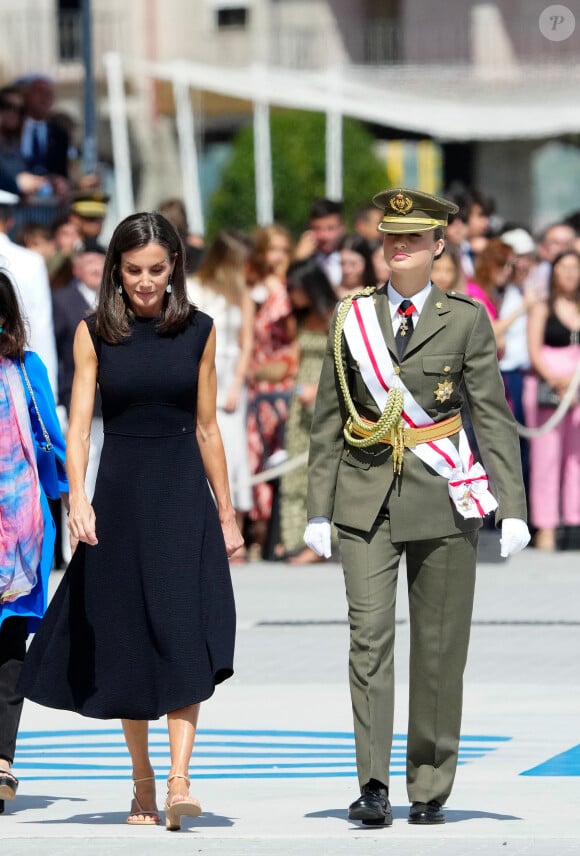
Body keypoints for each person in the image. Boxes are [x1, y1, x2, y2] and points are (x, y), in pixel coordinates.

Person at [304, 188, 530, 827]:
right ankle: (373, 783)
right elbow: (327, 419)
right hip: (365, 496)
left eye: (412, 239)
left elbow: (491, 414)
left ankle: (429, 784)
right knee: (368, 641)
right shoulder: (351, 316)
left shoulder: (465, 318)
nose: (398, 248)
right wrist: (318, 508)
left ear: (437, 246)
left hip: (444, 495)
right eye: (389, 237)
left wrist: (510, 506)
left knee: (438, 648)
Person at [18, 211, 242, 830]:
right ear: (116, 269)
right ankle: (142, 779)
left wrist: (227, 513)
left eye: (157, 270)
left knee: (182, 629)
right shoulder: (93, 333)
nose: (146, 282)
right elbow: (80, 425)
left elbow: (206, 427)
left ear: (175, 268)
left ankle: (178, 780)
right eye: (135, 270)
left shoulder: (200, 330)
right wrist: (78, 500)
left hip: (180, 497)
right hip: (118, 498)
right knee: (128, 640)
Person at [0, 267, 68, 815]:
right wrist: (68, 495)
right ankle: (0, 761)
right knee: (7, 652)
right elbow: (53, 441)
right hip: (21, 537)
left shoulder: (27, 368)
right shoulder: (26, 368)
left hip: (16, 534)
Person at [186, 231, 255, 560]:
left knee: (234, 454)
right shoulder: (194, 288)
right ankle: (205, 533)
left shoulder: (241, 293)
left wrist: (236, 384)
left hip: (229, 377)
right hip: (202, 370)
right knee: (203, 449)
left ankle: (235, 529)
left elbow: (247, 343)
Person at [279, 257, 337, 563]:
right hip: (300, 401)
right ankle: (295, 539)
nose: (291, 294)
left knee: (325, 468)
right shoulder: (298, 318)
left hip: (328, 396)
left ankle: (323, 544)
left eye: (294, 288)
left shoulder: (335, 314)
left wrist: (320, 390)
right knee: (296, 472)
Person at [245, 224, 298, 558]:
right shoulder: (252, 287)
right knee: (253, 456)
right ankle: (254, 530)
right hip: (253, 380)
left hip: (279, 380)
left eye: (283, 249)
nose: (277, 256)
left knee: (276, 453)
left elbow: (291, 340)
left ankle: (268, 534)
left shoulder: (287, 290)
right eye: (272, 249)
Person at [523, 250, 580, 551]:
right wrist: (558, 380)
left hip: (577, 389)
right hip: (549, 388)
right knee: (547, 459)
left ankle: (574, 520)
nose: (570, 274)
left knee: (576, 459)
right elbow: (534, 349)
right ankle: (545, 524)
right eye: (564, 268)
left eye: (575, 268)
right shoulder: (543, 307)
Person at [0, 190, 58, 395]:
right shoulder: (31, 262)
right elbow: (41, 330)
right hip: (18, 377)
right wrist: (48, 392)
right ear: (10, 221)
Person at [294, 198, 346, 289]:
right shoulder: (302, 258)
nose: (324, 236)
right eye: (317, 229)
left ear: (342, 228)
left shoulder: (354, 254)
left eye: (330, 228)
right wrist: (297, 260)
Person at [337, 233, 377, 298]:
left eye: (353, 264)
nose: (347, 270)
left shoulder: (378, 295)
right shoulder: (329, 292)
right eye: (342, 263)